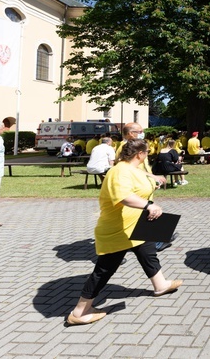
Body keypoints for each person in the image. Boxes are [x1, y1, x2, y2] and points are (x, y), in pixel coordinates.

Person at [66, 139, 182, 326]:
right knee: (104, 270)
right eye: (147, 154)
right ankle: (79, 312)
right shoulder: (119, 172)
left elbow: (139, 177)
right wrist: (149, 205)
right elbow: (125, 196)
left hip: (136, 225)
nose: (148, 157)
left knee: (148, 251)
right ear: (140, 155)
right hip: (118, 230)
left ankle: (160, 285)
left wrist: (154, 180)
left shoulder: (130, 168)